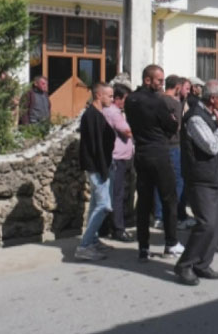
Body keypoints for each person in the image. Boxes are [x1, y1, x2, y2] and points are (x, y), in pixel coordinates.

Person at [124, 64, 184, 262]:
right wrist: (171, 120)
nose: (161, 84)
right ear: (147, 80)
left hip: (140, 154)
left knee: (143, 201)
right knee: (169, 199)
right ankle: (171, 243)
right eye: (159, 80)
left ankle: (143, 247)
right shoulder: (157, 102)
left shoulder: (130, 100)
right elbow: (172, 125)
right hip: (159, 153)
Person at [173, 80, 218, 286]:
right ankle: (185, 264)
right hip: (200, 179)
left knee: (216, 224)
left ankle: (202, 264)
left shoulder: (211, 114)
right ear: (213, 99)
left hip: (214, 176)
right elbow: (212, 146)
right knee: (206, 223)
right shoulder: (196, 118)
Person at [75, 83, 116, 260]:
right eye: (109, 96)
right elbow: (95, 146)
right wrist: (103, 169)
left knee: (95, 205)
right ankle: (84, 246)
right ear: (99, 96)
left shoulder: (97, 114)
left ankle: (92, 240)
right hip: (97, 167)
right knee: (104, 206)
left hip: (101, 165)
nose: (112, 99)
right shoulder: (91, 116)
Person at [101, 83, 135, 242]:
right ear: (118, 99)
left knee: (113, 193)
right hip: (117, 158)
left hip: (117, 157)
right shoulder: (113, 113)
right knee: (117, 194)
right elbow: (127, 131)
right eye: (125, 99)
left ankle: (106, 227)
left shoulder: (111, 111)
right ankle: (118, 229)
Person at [154, 75, 187, 230]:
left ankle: (159, 215)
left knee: (159, 181)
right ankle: (173, 215)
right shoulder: (174, 103)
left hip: (159, 144)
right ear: (178, 87)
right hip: (173, 145)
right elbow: (178, 126)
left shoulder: (158, 100)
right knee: (178, 181)